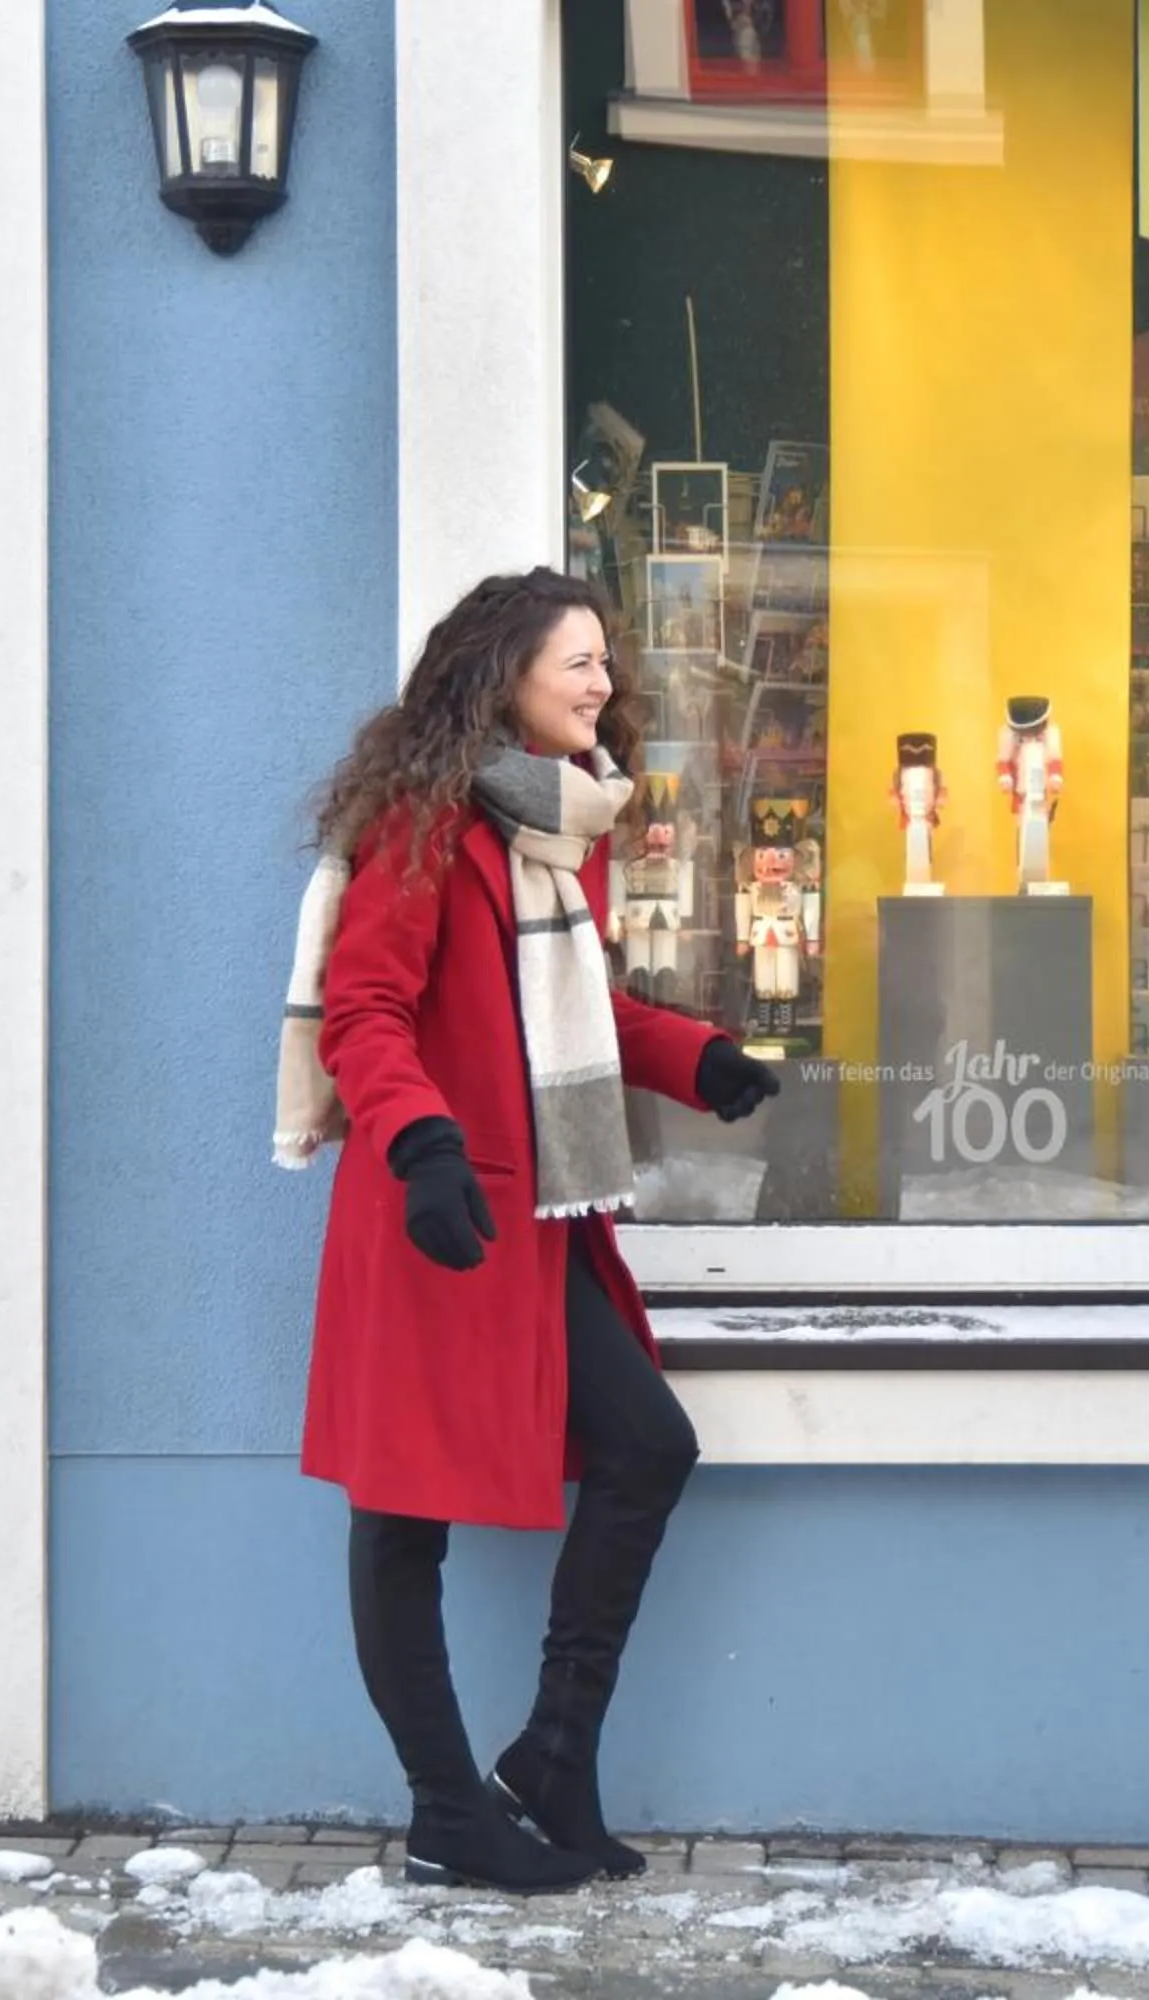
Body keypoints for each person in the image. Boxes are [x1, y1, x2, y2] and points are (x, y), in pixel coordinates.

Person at [273, 568, 783, 1895]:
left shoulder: (553, 835)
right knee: (401, 1521)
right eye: (578, 660)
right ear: (503, 675)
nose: (603, 680)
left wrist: (696, 1058)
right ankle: (449, 1810)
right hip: (436, 1218)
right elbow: (367, 1010)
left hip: (530, 1222)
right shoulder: (426, 828)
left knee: (646, 1447)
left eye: (608, 660)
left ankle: (552, 1756)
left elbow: (562, 1014)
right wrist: (423, 1141)